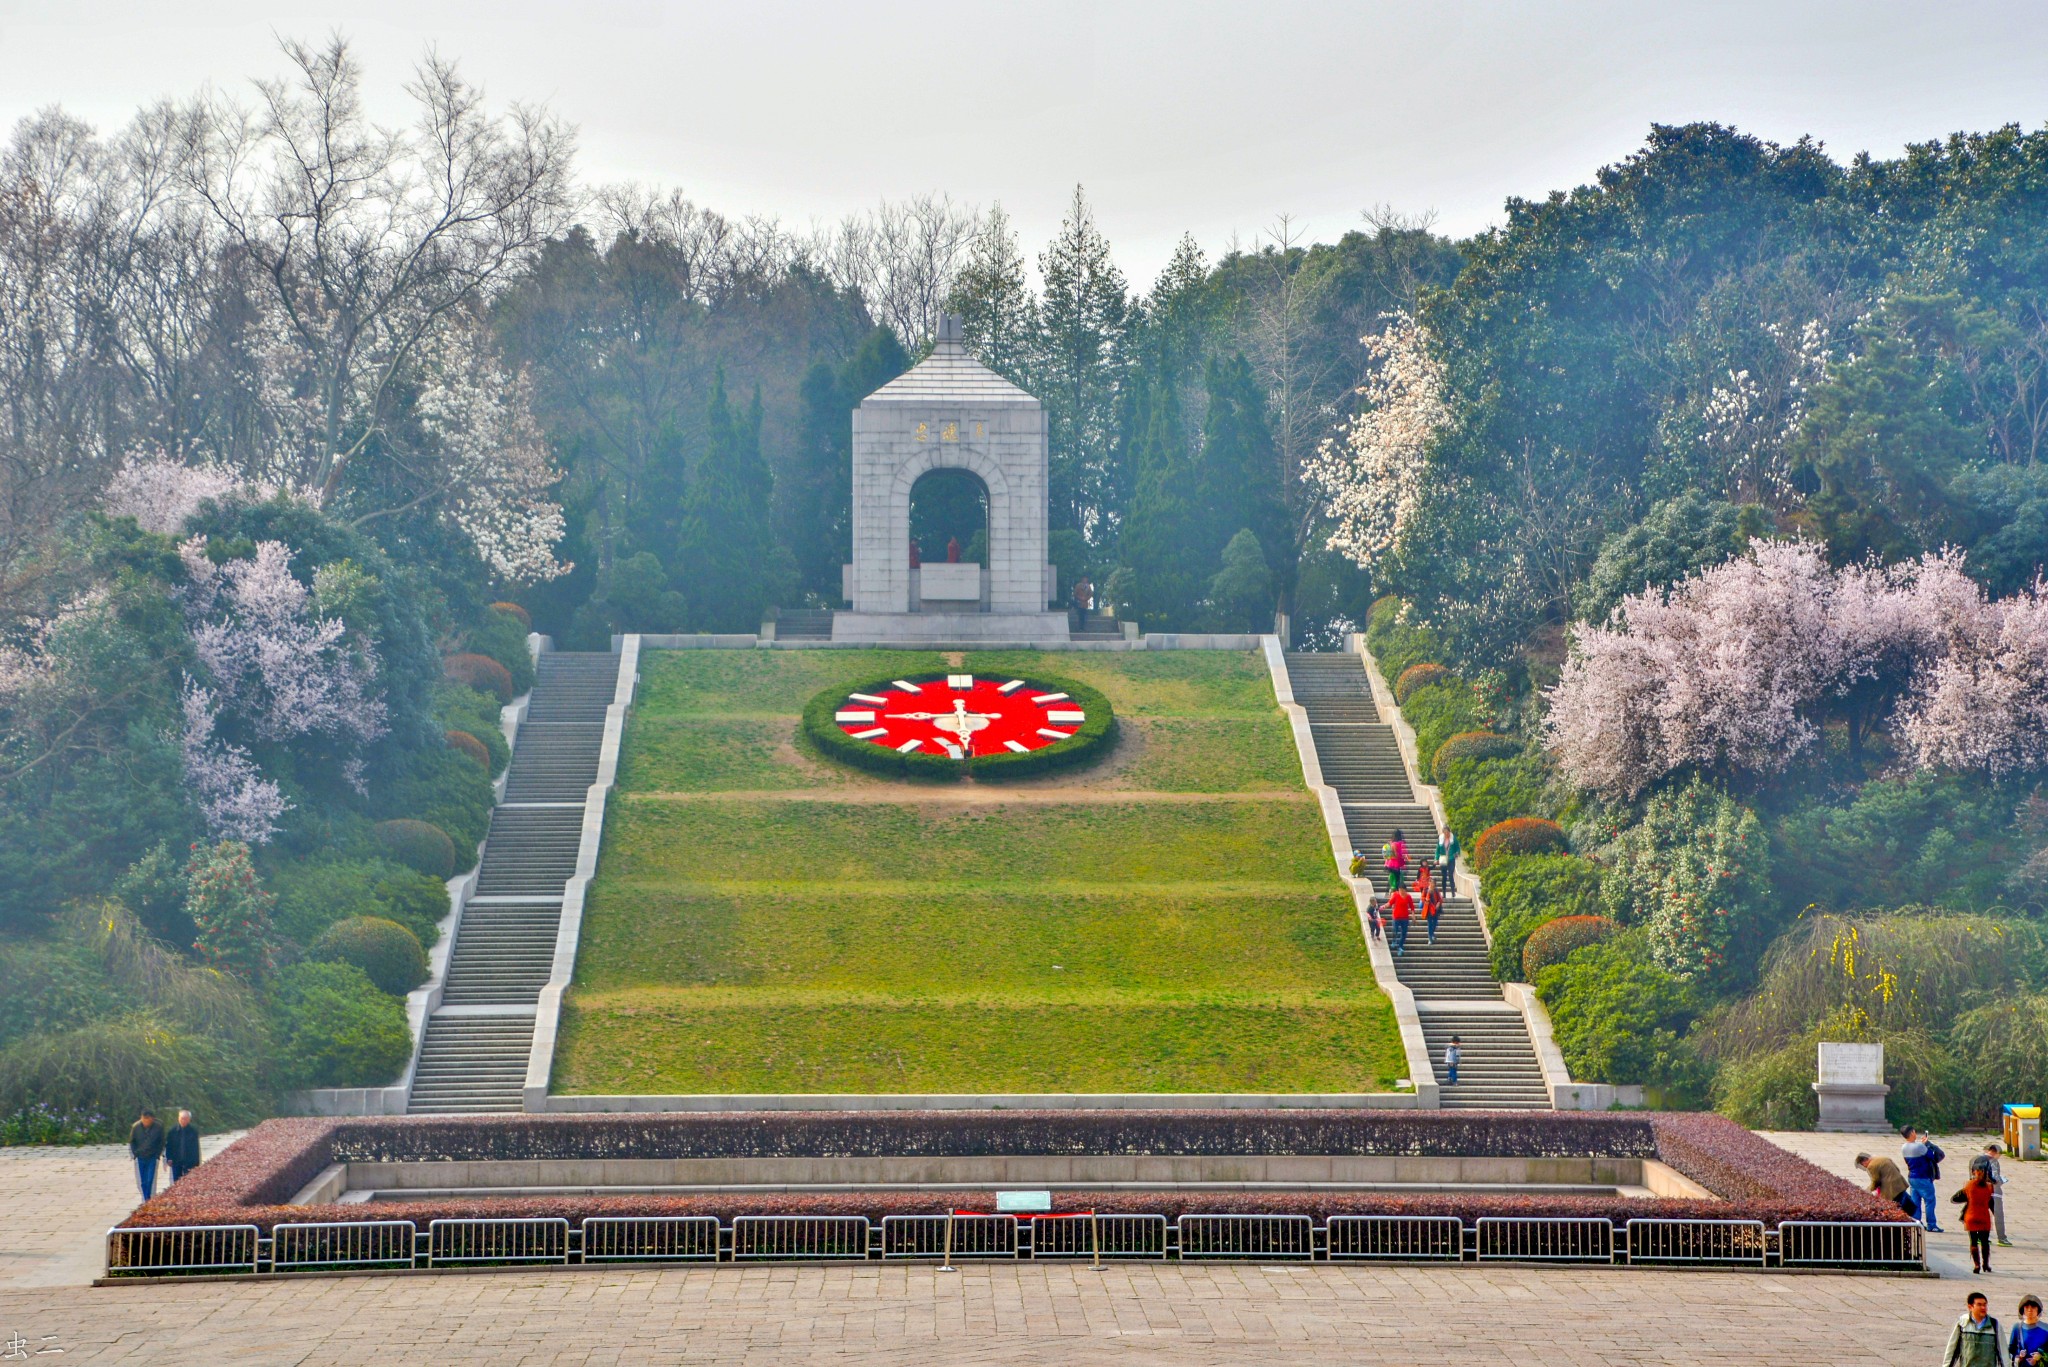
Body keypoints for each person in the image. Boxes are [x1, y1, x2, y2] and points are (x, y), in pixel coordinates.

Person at [1942, 1292, 2003, 1367]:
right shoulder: (1962, 1324)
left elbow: (2003, 1354)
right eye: (1979, 1305)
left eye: (1985, 1305)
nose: (1983, 1308)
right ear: (1970, 1307)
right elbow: (1951, 1351)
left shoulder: (1994, 1325)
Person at [1904, 1125, 1947, 1233]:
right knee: (1930, 1201)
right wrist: (1928, 1144)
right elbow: (1935, 1156)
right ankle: (1931, 1224)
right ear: (1912, 1133)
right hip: (1923, 1177)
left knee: (1915, 1201)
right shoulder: (1919, 1147)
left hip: (1912, 1177)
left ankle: (1916, 1221)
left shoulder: (1904, 1147)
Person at [1959, 1160, 1998, 1273]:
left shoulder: (1969, 1185)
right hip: (1984, 1216)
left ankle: (1976, 1265)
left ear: (1974, 1172)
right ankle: (1986, 1264)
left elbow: (1956, 1198)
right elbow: (1991, 1203)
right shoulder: (1989, 1186)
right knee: (1985, 1241)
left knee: (1973, 1241)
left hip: (1971, 1216)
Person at [1855, 1152, 1916, 1217]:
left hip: (1891, 1188)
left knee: (1898, 1206)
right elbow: (1897, 1169)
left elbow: (1875, 1181)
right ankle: (1915, 1217)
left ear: (1864, 1161)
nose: (1864, 1166)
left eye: (1862, 1164)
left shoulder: (1871, 1166)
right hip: (1900, 1183)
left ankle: (1908, 1220)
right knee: (1907, 1202)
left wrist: (1868, 1191)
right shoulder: (1884, 1158)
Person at [128, 1109, 165, 1202]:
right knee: (143, 1181)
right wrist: (135, 1153)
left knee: (150, 1179)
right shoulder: (136, 1127)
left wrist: (157, 1154)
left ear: (152, 1119)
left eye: (147, 1120)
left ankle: (147, 1197)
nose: (145, 1122)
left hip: (152, 1157)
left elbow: (162, 1142)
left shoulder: (158, 1127)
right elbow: (132, 1141)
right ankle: (146, 1198)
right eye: (143, 1120)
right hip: (141, 1157)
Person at [1985, 1143, 2012, 1246]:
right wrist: (2001, 1181)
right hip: (1993, 1192)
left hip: (1979, 1191)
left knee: (1983, 1214)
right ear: (1995, 1153)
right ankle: (2002, 1238)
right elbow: (1995, 1177)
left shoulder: (1976, 1159)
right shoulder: (1993, 1161)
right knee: (1998, 1215)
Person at [165, 1109, 201, 1185]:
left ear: (189, 1120)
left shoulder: (193, 1131)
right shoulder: (172, 1131)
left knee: (189, 1182)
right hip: (176, 1160)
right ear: (178, 1118)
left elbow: (196, 1148)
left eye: (185, 1119)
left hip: (189, 1161)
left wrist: (197, 1162)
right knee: (176, 1182)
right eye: (182, 1118)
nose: (183, 1120)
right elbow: (169, 1146)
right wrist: (169, 1158)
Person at [2011, 1296, 2047, 1367]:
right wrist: (2019, 1356)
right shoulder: (2017, 1328)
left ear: (2038, 1310)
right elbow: (2010, 1351)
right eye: (2027, 1307)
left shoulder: (2046, 1328)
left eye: (2033, 1307)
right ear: (2023, 1309)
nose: (2030, 1310)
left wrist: (2041, 1356)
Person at [1386, 885, 1414, 957]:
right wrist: (1384, 906)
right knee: (1395, 930)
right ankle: (1394, 941)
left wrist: (1413, 915)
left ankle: (1400, 946)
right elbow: (1390, 902)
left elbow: (1412, 906)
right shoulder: (1396, 895)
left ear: (1405, 890)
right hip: (1396, 916)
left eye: (1402, 890)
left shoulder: (1408, 897)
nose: (1400, 891)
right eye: (1399, 890)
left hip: (1405, 917)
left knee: (1404, 933)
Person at [1421, 870, 1444, 946]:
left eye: (1434, 883)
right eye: (1431, 882)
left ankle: (1432, 934)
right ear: (1429, 883)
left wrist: (1438, 903)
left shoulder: (1436, 890)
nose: (1432, 884)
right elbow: (1422, 898)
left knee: (1435, 924)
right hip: (1429, 910)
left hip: (1436, 910)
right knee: (1430, 924)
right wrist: (1427, 898)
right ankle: (1430, 938)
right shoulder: (1426, 890)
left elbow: (1440, 899)